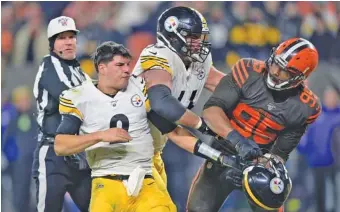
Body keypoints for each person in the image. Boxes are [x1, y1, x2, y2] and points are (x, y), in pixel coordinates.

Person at [54, 41, 236, 212]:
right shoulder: (79, 98)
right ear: (102, 68)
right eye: (120, 65)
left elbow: (175, 133)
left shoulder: (140, 89)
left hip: (145, 180)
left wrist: (218, 156)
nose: (127, 70)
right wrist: (100, 135)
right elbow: (61, 145)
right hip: (106, 183)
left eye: (128, 64)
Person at [187, 37, 321, 212]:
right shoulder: (248, 71)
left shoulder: (305, 107)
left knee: (273, 196)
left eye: (284, 72)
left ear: (299, 77)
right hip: (223, 150)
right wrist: (238, 141)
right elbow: (211, 111)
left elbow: (279, 154)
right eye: (275, 64)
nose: (275, 72)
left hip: (261, 161)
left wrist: (253, 168)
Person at [132, 6, 225, 195]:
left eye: (200, 37)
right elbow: (161, 103)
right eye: (193, 37)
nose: (198, 43)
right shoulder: (158, 55)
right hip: (124, 149)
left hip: (157, 144)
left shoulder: (194, 62)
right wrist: (203, 127)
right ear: (173, 36)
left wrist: (260, 90)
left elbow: (227, 86)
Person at [32, 16, 92, 212]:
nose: (68, 42)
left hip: (79, 153)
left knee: (98, 206)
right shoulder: (49, 65)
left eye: (71, 37)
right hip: (53, 155)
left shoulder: (77, 69)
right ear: (52, 44)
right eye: (61, 38)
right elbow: (70, 96)